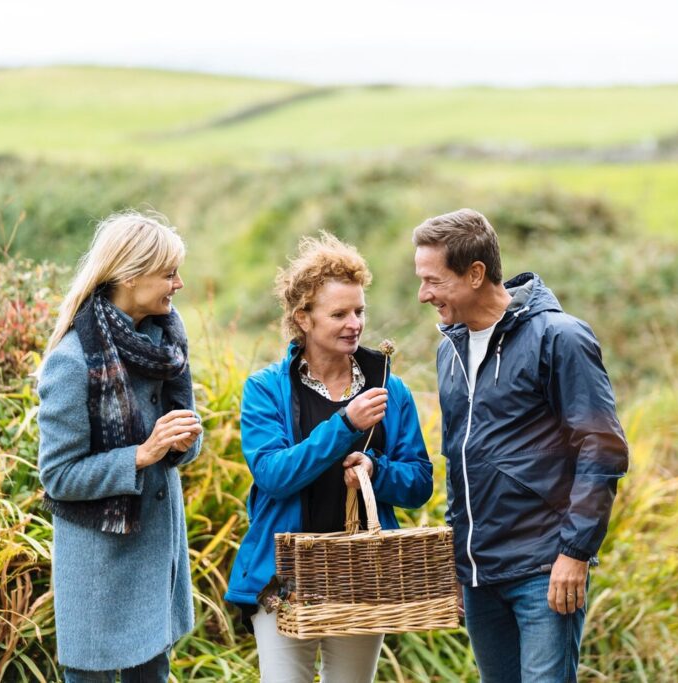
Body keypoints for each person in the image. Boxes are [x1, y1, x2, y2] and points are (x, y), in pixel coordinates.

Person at [412, 208, 629, 682]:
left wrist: (575, 552)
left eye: (433, 281)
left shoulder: (560, 337)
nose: (423, 294)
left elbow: (603, 448)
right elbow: (460, 459)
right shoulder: (449, 348)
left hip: (544, 569)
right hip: (479, 573)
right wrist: (457, 560)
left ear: (475, 274)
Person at [225, 233, 433, 683]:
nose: (354, 323)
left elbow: (419, 483)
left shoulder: (388, 388)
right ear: (303, 317)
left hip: (360, 575)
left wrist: (377, 471)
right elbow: (273, 475)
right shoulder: (265, 389)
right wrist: (345, 427)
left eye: (359, 311)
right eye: (338, 314)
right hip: (283, 579)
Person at [36, 211, 204, 682]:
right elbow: (59, 476)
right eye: (169, 274)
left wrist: (183, 441)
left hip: (156, 545)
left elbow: (184, 436)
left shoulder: (167, 336)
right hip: (100, 567)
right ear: (130, 276)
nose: (180, 284)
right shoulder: (71, 362)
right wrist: (140, 455)